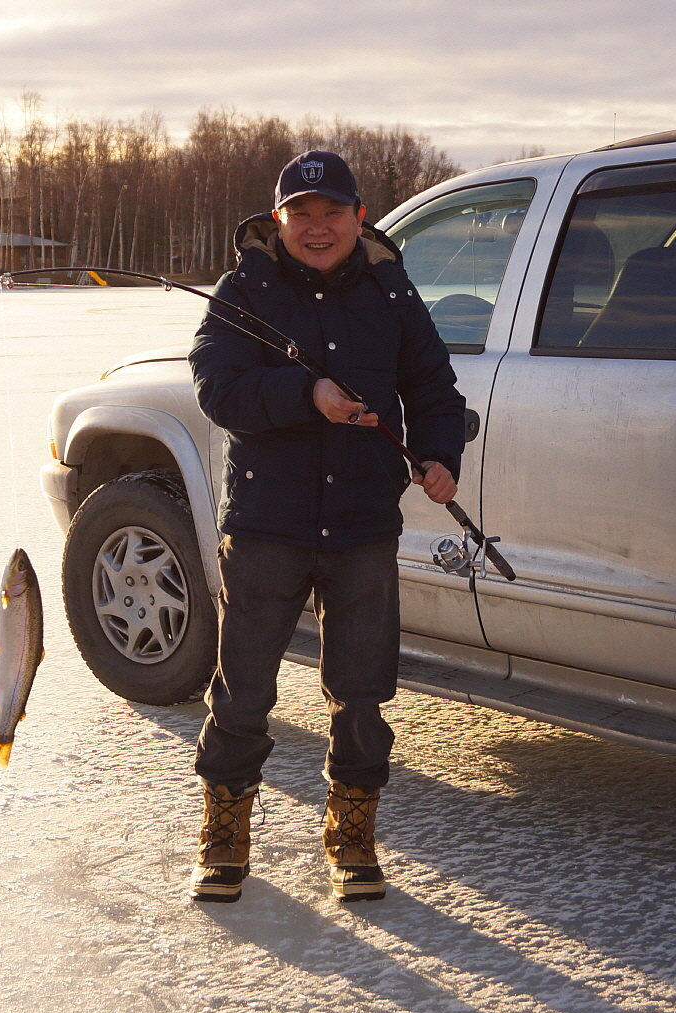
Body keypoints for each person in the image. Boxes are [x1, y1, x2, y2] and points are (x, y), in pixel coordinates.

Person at [187, 150, 465, 904]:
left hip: (361, 526)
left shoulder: (391, 291)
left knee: (362, 693)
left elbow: (433, 389)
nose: (318, 228)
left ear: (359, 216)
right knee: (243, 692)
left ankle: (352, 833)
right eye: (301, 214)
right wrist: (304, 392)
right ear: (277, 220)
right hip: (266, 525)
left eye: (332, 213)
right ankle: (224, 833)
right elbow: (218, 387)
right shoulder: (244, 289)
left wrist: (439, 455)